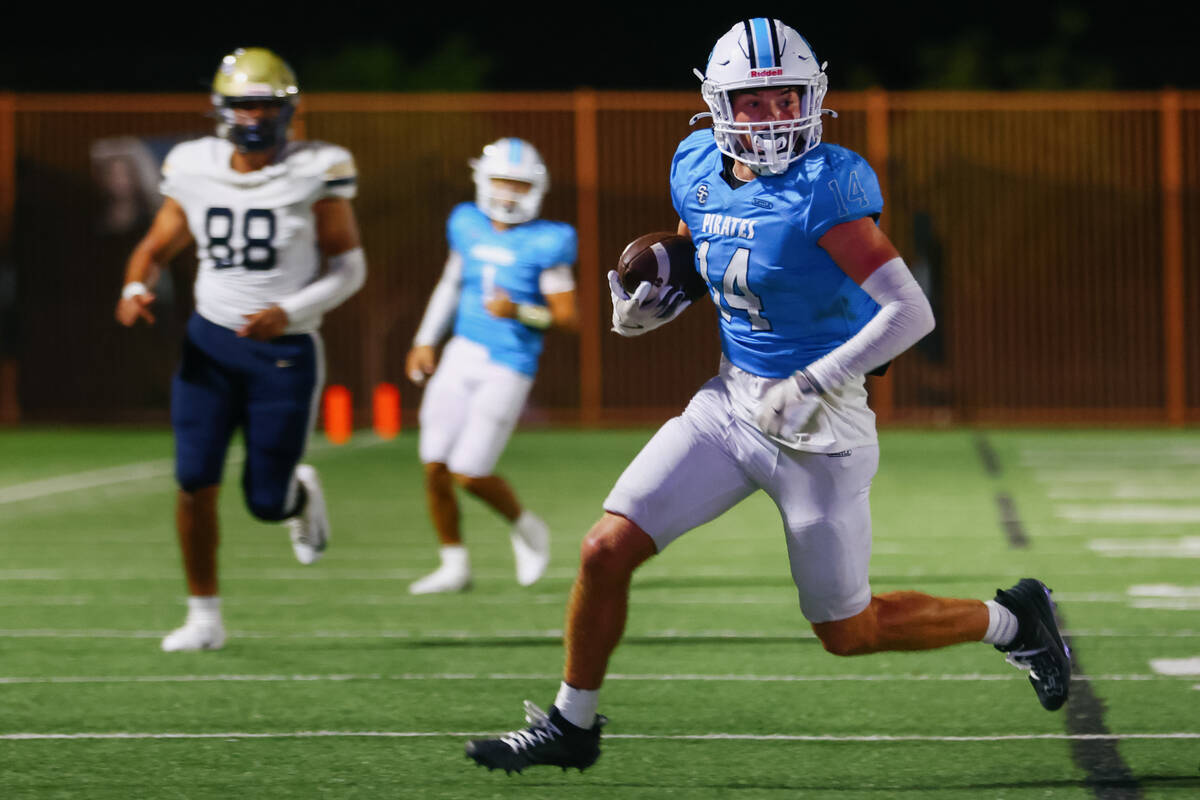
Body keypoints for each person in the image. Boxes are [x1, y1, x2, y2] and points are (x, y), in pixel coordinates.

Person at [464, 18, 1071, 773]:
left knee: (847, 630)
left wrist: (814, 378)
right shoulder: (693, 165)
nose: (774, 117)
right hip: (729, 405)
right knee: (604, 548)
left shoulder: (828, 185)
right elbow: (715, 259)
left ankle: (1014, 622)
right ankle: (571, 724)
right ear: (719, 105)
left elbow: (912, 312)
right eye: (753, 102)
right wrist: (653, 303)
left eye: (786, 99)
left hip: (822, 423)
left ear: (812, 97)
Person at [114, 47, 367, 652]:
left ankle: (297, 496)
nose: (253, 116)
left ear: (288, 110)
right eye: (242, 104)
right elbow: (154, 247)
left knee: (262, 501)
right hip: (209, 346)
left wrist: (290, 312)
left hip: (283, 353)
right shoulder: (193, 165)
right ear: (220, 109)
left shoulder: (320, 167)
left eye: (265, 104)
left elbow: (350, 267)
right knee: (193, 480)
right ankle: (204, 616)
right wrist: (134, 287)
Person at [404, 138, 578, 594]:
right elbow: (450, 282)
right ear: (483, 179)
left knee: (470, 470)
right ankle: (454, 562)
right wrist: (425, 339)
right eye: (502, 180)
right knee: (434, 464)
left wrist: (519, 311)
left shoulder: (548, 240)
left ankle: (526, 526)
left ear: (535, 188)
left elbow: (566, 316)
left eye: (519, 184)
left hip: (509, 362)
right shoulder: (466, 223)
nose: (508, 192)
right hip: (462, 350)